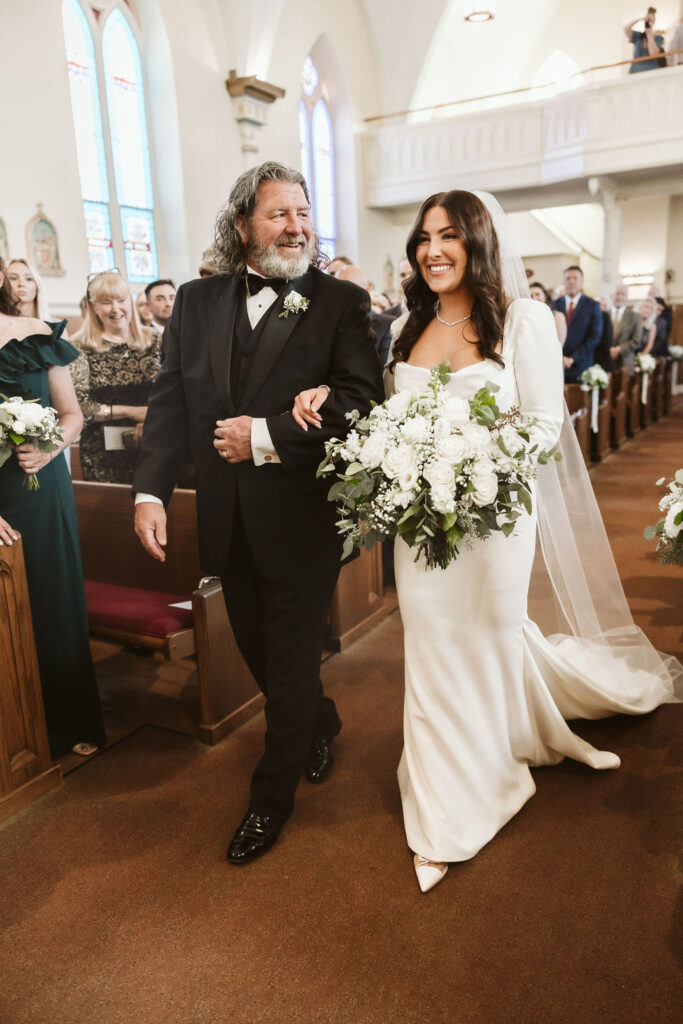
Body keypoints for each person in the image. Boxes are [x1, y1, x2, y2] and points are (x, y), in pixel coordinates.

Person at [293, 190, 680, 892]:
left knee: (492, 632)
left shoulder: (523, 320)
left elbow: (540, 425)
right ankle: (452, 805)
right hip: (421, 523)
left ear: (477, 241)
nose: (432, 249)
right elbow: (385, 415)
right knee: (435, 647)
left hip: (495, 517)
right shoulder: (407, 327)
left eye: (448, 235)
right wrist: (331, 401)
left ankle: (526, 734)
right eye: (422, 237)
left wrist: (471, 461)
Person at [132, 161, 383, 865]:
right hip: (224, 519)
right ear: (243, 223)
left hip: (300, 517)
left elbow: (360, 401)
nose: (296, 227)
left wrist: (267, 435)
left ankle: (269, 802)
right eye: (279, 214)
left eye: (302, 213)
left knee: (293, 657)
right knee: (261, 651)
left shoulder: (338, 302)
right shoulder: (197, 299)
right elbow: (170, 402)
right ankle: (320, 721)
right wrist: (149, 492)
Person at [0, 256, 105, 757]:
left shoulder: (36, 332)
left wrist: (48, 448)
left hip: (36, 485)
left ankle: (69, 721)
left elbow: (72, 416)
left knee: (51, 595)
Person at [70, 270, 162, 483]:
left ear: (130, 301)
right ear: (93, 306)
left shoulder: (155, 340)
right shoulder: (78, 346)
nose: (115, 308)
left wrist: (153, 418)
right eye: (106, 302)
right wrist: (134, 412)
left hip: (153, 442)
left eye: (121, 300)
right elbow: (79, 407)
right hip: (101, 453)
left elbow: (173, 392)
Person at [335, 264, 395, 368]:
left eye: (347, 290)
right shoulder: (330, 325)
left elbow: (384, 374)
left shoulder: (387, 325)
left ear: (366, 290)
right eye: (337, 291)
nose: (341, 297)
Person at [552, 266, 602, 382]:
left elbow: (594, 337)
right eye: (568, 278)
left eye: (575, 278)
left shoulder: (592, 305)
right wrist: (560, 357)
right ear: (564, 281)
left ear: (582, 281)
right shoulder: (554, 304)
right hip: (557, 364)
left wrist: (573, 359)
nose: (571, 281)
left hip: (581, 364)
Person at [609, 282, 641, 371]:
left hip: (625, 362)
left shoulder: (635, 317)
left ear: (627, 297)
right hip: (606, 361)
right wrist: (609, 350)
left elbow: (636, 341)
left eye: (623, 294)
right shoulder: (603, 315)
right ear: (611, 296)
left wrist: (618, 350)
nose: (619, 297)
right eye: (617, 294)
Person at [624, 8, 665, 72]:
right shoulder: (637, 36)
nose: (649, 23)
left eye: (652, 21)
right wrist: (640, 19)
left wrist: (650, 35)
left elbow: (654, 54)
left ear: (654, 22)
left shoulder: (658, 38)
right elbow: (626, 28)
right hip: (635, 71)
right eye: (648, 20)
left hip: (652, 71)